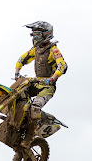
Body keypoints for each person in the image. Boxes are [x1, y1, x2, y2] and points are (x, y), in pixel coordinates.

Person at [15, 21, 68, 149]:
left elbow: (62, 65)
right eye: (33, 35)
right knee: (16, 92)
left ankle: (29, 138)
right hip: (36, 83)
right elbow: (22, 58)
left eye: (37, 35)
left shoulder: (53, 50)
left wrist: (52, 78)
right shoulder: (36, 50)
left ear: (45, 35)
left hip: (47, 86)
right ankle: (14, 118)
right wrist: (17, 72)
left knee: (35, 106)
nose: (34, 38)